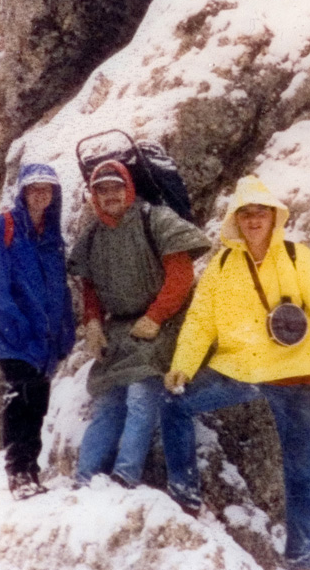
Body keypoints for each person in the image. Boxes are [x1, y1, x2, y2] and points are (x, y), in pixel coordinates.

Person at [161, 175, 310, 570]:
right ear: (236, 219)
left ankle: (301, 562)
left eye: (260, 211)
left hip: (293, 374)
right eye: (245, 213)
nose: (253, 219)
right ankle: (186, 496)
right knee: (175, 402)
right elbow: (199, 322)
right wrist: (183, 366)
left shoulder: (301, 258)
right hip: (239, 370)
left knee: (300, 468)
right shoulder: (222, 265)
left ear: (273, 216)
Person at [68, 159, 211, 487]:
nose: (109, 195)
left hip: (163, 324)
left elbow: (181, 275)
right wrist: (92, 323)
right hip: (119, 331)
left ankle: (126, 475)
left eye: (115, 187)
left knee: (141, 393)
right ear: (94, 196)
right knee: (107, 401)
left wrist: (155, 316)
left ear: (128, 187)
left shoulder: (155, 219)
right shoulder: (92, 238)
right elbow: (90, 287)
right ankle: (84, 479)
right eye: (101, 190)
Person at [0, 163, 76, 500]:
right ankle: (18, 473)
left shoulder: (51, 238)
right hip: (14, 338)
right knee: (24, 398)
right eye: (33, 188)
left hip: (43, 342)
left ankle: (29, 471)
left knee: (37, 403)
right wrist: (21, 334)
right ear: (21, 192)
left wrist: (63, 335)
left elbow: (60, 290)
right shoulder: (2, 228)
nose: (40, 194)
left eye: (46, 188)